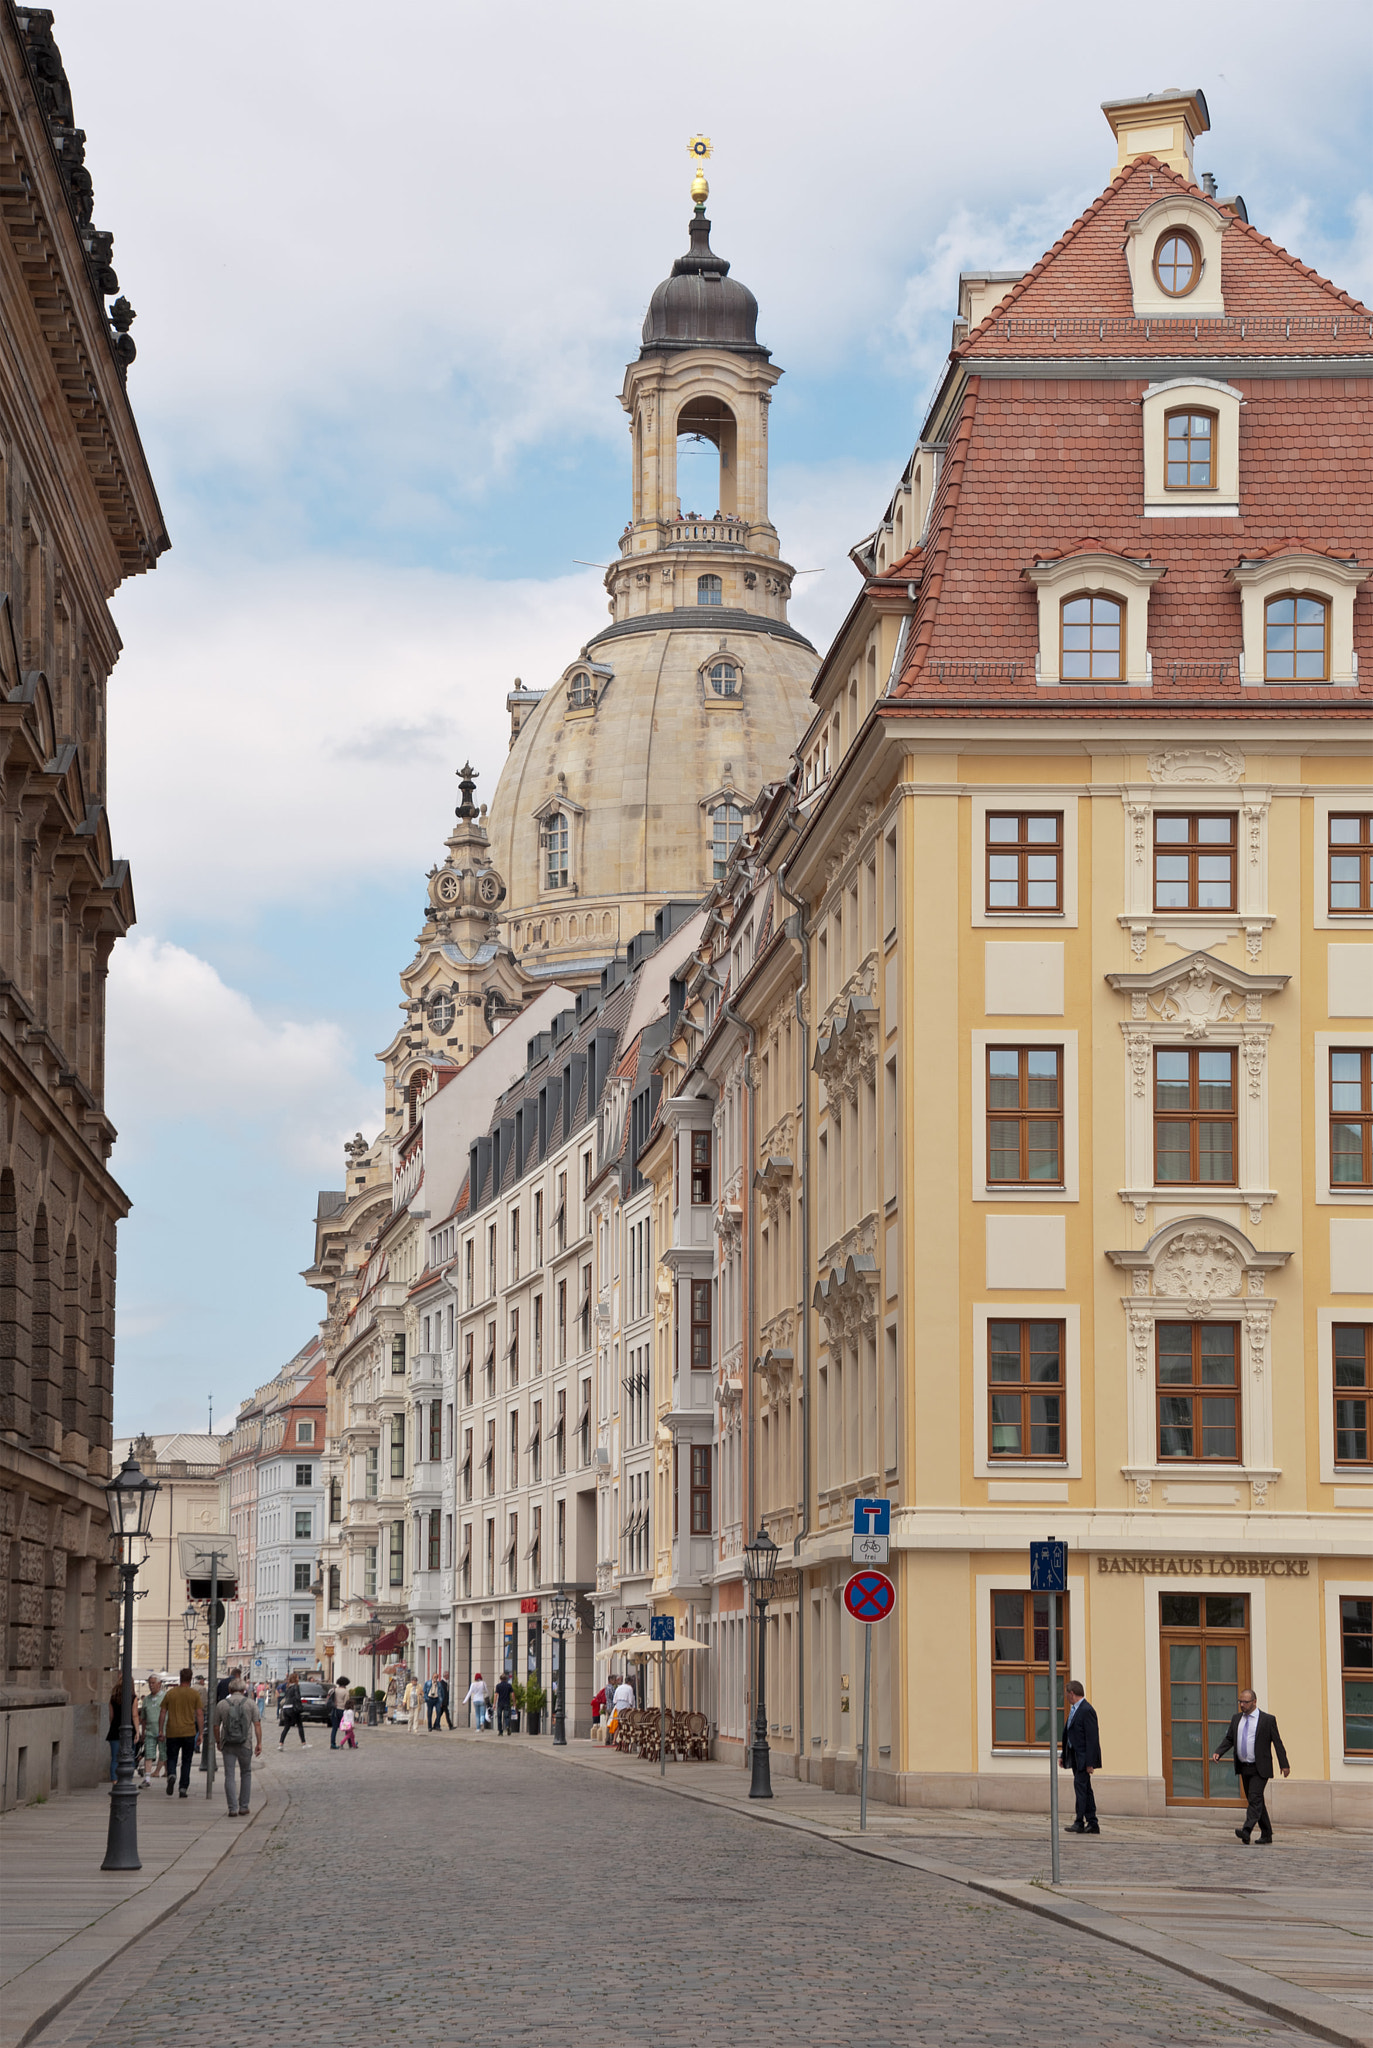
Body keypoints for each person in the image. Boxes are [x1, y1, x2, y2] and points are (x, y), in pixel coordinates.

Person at [1213, 1687, 1290, 1844]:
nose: (1242, 1704)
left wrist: (1284, 1764)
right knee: (1256, 1800)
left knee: (1254, 1798)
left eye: (1246, 1702)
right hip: (1244, 1766)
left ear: (1254, 1702)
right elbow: (1229, 1739)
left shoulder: (1267, 1720)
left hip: (1260, 1767)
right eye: (1240, 1701)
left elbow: (1277, 1743)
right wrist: (1219, 1752)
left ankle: (1246, 1830)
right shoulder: (1236, 1719)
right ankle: (1267, 1834)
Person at [1059, 1679, 1102, 1835]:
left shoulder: (1086, 1710)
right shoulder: (1075, 1710)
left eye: (1066, 1694)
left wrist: (1090, 1763)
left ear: (1072, 1693)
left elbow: (1092, 1739)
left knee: (1080, 1789)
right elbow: (1070, 1734)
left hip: (1084, 1759)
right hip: (1075, 1756)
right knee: (1086, 1790)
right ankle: (1092, 1823)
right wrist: (1064, 1755)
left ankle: (1079, 1822)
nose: (1066, 1697)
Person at [214, 1675, 261, 1817]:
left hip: (227, 1743)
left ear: (230, 1689)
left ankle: (232, 1808)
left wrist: (218, 1741)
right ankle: (244, 1806)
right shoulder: (251, 1704)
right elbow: (257, 1724)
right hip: (245, 1743)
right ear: (244, 1689)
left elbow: (216, 1726)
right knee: (246, 1773)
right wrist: (259, 1743)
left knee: (229, 1775)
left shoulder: (222, 1704)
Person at [159, 1667, 204, 1797]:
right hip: (189, 1732)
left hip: (172, 1731)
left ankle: (172, 1773)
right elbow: (199, 1714)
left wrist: (161, 1730)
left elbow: (162, 1712)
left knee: (172, 1756)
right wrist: (200, 1733)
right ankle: (183, 1787)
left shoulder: (171, 1693)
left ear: (180, 1677)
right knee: (187, 1761)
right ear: (190, 1679)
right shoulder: (194, 1694)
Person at [107, 1677, 137, 1783]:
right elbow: (134, 1715)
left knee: (115, 1757)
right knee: (129, 1756)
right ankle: (128, 1779)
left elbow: (111, 1716)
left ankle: (115, 1781)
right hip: (129, 1731)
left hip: (115, 1730)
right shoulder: (133, 1697)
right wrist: (137, 1731)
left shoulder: (113, 1698)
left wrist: (113, 1726)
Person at [143, 1673, 166, 1782]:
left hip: (163, 1731)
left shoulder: (165, 1697)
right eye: (149, 1683)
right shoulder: (146, 1699)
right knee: (148, 1753)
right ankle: (147, 1778)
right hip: (150, 1731)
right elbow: (143, 1717)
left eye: (153, 1683)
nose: (151, 1685)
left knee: (163, 1753)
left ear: (159, 1684)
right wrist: (142, 1732)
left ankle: (163, 1771)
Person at [278, 1674, 307, 1748]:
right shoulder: (296, 1687)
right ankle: (304, 1743)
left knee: (287, 1726)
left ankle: (281, 1743)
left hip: (286, 1708)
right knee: (300, 1725)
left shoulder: (288, 1687)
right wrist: (299, 1705)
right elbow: (297, 1697)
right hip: (293, 1708)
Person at [330, 1674, 350, 1750]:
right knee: (346, 1727)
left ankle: (332, 1743)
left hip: (335, 1710)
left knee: (334, 1728)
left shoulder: (335, 1690)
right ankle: (349, 1742)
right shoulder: (346, 1692)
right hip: (342, 1710)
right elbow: (346, 1703)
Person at [494, 1671, 514, 1736]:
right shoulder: (509, 1686)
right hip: (507, 1703)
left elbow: (496, 1695)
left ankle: (500, 1731)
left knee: (499, 1717)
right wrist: (514, 1702)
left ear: (500, 1679)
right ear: (506, 1679)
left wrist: (494, 1704)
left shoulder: (498, 1686)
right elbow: (513, 1694)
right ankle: (507, 1726)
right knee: (507, 1717)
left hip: (500, 1703)